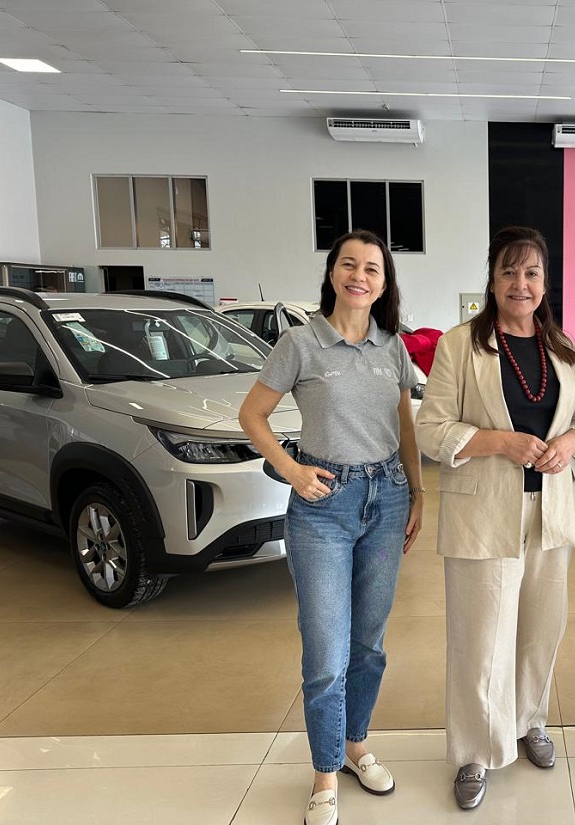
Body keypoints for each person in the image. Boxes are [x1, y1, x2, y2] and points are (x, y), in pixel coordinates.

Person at [239, 229, 424, 825]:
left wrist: (418, 492)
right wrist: (292, 469)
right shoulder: (300, 342)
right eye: (350, 264)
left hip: (387, 499)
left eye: (372, 269)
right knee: (326, 651)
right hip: (324, 507)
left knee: (368, 645)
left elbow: (405, 426)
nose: (359, 276)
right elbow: (253, 414)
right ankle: (324, 772)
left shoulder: (393, 348)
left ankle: (354, 745)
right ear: (332, 273)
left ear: (384, 283)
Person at [416, 226, 575, 810]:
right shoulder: (460, 345)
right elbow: (431, 429)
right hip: (483, 511)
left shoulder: (561, 347)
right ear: (491, 281)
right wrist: (498, 442)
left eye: (532, 272)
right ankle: (474, 750)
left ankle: (528, 720)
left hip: (552, 510)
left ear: (545, 282)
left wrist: (570, 441)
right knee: (481, 637)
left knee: (541, 629)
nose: (521, 283)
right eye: (509, 272)